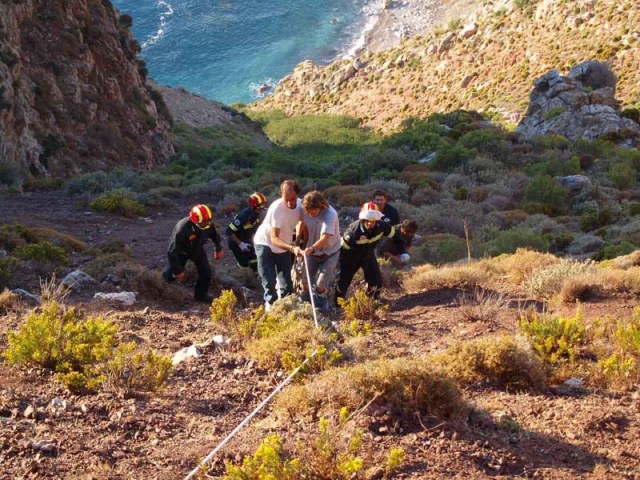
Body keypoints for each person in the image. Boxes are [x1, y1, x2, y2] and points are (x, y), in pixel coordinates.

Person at [253, 179, 303, 311]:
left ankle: (288, 307)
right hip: (265, 243)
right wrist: (292, 248)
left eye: (291, 199)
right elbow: (274, 239)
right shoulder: (277, 208)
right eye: (285, 199)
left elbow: (301, 222)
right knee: (268, 278)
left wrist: (298, 239)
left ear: (297, 195)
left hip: (284, 244)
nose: (288, 203)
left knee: (286, 280)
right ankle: (271, 304)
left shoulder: (301, 205)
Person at [335, 201, 396, 304]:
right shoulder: (353, 231)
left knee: (376, 281)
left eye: (373, 221)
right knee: (344, 281)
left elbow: (395, 234)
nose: (370, 223)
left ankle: (371, 301)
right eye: (367, 220)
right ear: (363, 219)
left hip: (368, 254)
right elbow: (344, 250)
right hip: (351, 256)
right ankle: (338, 304)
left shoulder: (382, 226)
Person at [162, 204, 224, 303]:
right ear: (194, 220)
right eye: (203, 222)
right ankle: (159, 289)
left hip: (197, 250)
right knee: (171, 274)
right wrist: (178, 270)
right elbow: (172, 250)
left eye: (208, 221)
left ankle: (201, 296)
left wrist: (218, 248)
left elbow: (214, 235)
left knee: (206, 273)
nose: (206, 224)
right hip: (182, 252)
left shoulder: (207, 223)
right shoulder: (182, 228)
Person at [298, 191, 341, 313]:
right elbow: (300, 222)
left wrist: (311, 248)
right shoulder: (304, 210)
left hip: (330, 252)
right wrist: (297, 241)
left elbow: (325, 238)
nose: (310, 214)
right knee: (304, 281)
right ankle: (304, 307)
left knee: (321, 284)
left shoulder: (330, 214)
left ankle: (321, 308)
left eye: (313, 212)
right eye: (308, 212)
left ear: (321, 206)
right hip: (310, 252)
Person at [226, 192, 267, 272]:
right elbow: (229, 231)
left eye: (263, 205)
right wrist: (240, 244)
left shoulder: (256, 215)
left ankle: (254, 276)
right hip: (235, 242)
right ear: (252, 206)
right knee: (244, 263)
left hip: (246, 239)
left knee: (255, 259)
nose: (262, 208)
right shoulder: (243, 216)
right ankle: (242, 277)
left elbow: (255, 230)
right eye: (260, 206)